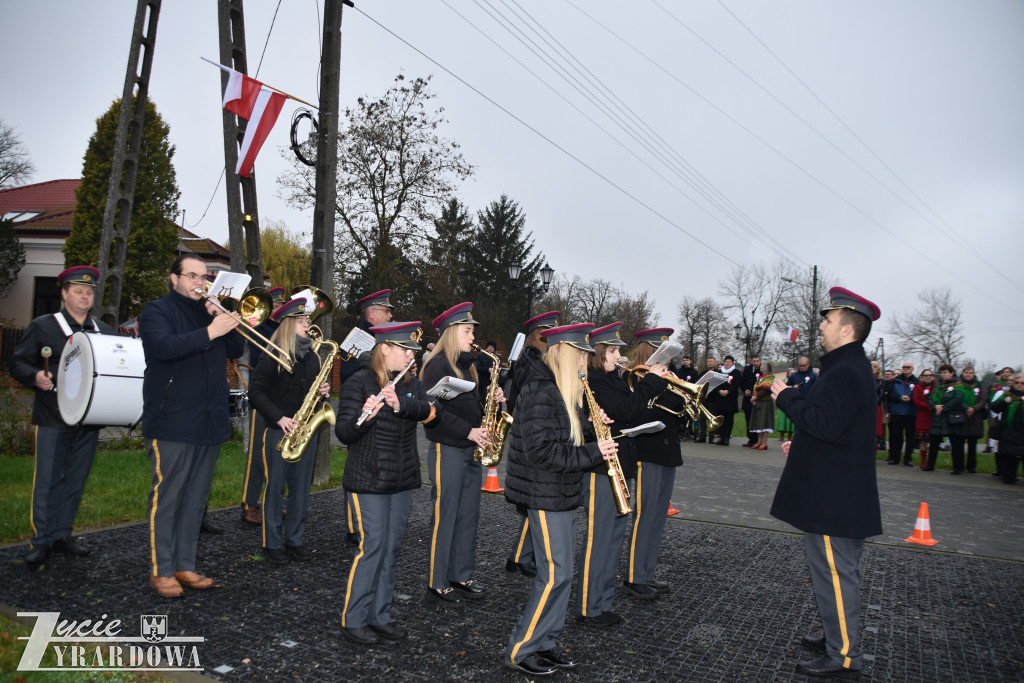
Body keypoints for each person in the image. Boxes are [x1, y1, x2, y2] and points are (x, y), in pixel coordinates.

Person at [769, 286, 882, 679]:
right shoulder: (842, 367)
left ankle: (845, 655)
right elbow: (828, 422)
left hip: (836, 496)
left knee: (836, 572)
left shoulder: (847, 371)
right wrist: (798, 443)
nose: (821, 326)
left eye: (828, 320)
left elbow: (826, 425)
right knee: (830, 571)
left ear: (848, 330)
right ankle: (836, 635)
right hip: (831, 490)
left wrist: (785, 399)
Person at [503, 323, 617, 676]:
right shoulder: (541, 390)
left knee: (563, 575)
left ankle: (546, 642)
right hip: (545, 492)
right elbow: (542, 453)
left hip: (562, 493)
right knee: (554, 576)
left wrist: (593, 426)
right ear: (567, 354)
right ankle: (521, 649)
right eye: (583, 355)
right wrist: (594, 452)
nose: (587, 362)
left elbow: (565, 433)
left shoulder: (561, 390)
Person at [140, 254, 245, 598]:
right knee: (168, 496)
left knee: (196, 499)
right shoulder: (157, 311)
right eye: (192, 276)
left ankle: (185, 564)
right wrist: (210, 330)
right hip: (172, 419)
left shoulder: (209, 310)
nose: (200, 282)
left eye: (204, 277)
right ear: (174, 278)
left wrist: (224, 319)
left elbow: (236, 347)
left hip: (209, 419)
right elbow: (163, 348)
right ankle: (162, 569)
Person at [336, 321, 441, 645]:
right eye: (405, 350)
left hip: (402, 477)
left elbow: (430, 411)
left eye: (413, 351)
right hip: (368, 477)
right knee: (374, 546)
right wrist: (362, 418)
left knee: (391, 549)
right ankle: (353, 619)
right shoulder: (359, 382)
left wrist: (400, 404)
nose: (411, 356)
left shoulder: (411, 383)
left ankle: (379, 616)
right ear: (385, 349)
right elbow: (344, 434)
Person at [9, 265, 115, 565]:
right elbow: (17, 363)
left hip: (89, 420)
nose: (85, 295)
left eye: (89, 291)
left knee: (76, 481)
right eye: (79, 291)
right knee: (48, 480)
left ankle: (62, 534)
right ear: (64, 294)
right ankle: (41, 541)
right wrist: (35, 377)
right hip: (53, 415)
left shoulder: (102, 331)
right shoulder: (44, 326)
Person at [576, 322, 667, 626]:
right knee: (598, 541)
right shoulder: (596, 381)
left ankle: (602, 603)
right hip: (601, 470)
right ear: (599, 353)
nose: (619, 356)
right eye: (613, 351)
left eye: (618, 351)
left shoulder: (614, 379)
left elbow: (634, 412)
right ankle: (588, 607)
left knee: (614, 539)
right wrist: (650, 383)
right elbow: (624, 411)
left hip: (620, 466)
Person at [420, 303, 499, 602]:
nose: (472, 336)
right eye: (467, 330)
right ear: (451, 332)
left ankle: (461, 575)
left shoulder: (467, 365)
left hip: (469, 451)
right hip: (448, 449)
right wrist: (468, 431)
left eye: (472, 331)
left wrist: (495, 401)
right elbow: (432, 410)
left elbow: (472, 407)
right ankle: (437, 581)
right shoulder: (438, 365)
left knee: (468, 516)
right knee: (445, 516)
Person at [246, 295, 330, 564]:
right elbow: (256, 393)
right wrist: (278, 418)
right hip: (278, 431)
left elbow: (312, 393)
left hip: (306, 431)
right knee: (274, 489)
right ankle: (271, 544)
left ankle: (295, 540)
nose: (308, 325)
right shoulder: (273, 354)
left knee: (301, 488)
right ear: (289, 323)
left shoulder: (313, 357)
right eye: (303, 320)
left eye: (308, 320)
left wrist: (323, 393)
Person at [625, 327, 684, 600]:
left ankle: (647, 572)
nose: (667, 360)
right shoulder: (636, 378)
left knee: (658, 518)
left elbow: (679, 416)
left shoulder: (668, 379)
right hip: (647, 452)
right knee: (645, 517)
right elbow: (637, 413)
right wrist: (660, 383)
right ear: (649, 352)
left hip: (668, 451)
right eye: (662, 354)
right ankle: (636, 576)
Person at [504, 310, 560, 579]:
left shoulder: (530, 362)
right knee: (533, 502)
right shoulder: (533, 364)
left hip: (528, 435)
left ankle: (519, 555)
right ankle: (521, 556)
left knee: (532, 504)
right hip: (531, 437)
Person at [339, 289, 395, 545]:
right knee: (357, 464)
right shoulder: (359, 337)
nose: (391, 314)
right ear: (372, 313)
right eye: (386, 311)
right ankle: (353, 524)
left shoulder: (384, 336)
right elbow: (348, 373)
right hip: (361, 405)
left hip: (381, 405)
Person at [240, 285, 286, 527]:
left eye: (280, 306)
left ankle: (273, 501)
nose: (277, 310)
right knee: (257, 455)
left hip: (282, 398)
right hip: (262, 397)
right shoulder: (258, 326)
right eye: (275, 306)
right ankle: (249, 504)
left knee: (278, 453)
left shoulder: (284, 328)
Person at [925, 364, 966, 474]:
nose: (943, 375)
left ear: (952, 373)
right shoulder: (939, 385)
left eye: (945, 372)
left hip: (952, 418)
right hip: (938, 418)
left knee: (956, 444)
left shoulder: (958, 385)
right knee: (933, 443)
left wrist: (944, 408)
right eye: (942, 373)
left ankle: (958, 467)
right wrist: (935, 406)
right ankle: (930, 465)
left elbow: (958, 399)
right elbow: (930, 398)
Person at [991, 373, 1024, 484]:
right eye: (1017, 383)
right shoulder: (1007, 395)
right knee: (1008, 467)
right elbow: (994, 408)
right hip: (1008, 433)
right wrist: (1005, 401)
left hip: (1022, 433)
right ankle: (1009, 476)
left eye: (1022, 383)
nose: (1019, 385)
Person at [885, 362, 918, 466]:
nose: (906, 369)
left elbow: (918, 395)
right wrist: (900, 398)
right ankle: (895, 457)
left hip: (910, 413)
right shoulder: (895, 381)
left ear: (912, 369)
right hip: (897, 412)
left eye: (908, 367)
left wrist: (911, 398)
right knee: (896, 436)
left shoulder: (916, 382)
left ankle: (908, 458)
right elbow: (890, 394)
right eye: (904, 367)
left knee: (910, 437)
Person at [706, 354, 740, 446]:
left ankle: (726, 437)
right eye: (726, 362)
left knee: (729, 419)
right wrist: (719, 390)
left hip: (730, 399)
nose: (727, 363)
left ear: (732, 363)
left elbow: (736, 384)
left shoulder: (736, 372)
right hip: (720, 399)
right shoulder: (720, 372)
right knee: (721, 419)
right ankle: (721, 437)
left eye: (729, 362)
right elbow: (715, 383)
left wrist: (728, 390)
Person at [960, 366, 985, 472]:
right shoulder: (958, 385)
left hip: (975, 418)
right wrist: (966, 408)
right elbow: (957, 398)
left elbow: (984, 399)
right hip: (961, 417)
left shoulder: (979, 386)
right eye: (966, 372)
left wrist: (974, 409)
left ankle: (971, 466)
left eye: (970, 373)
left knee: (972, 444)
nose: (968, 374)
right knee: (959, 444)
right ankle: (959, 465)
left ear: (974, 374)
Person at [912, 370, 936, 468]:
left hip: (934, 416)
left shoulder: (937, 386)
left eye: (929, 375)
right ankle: (923, 461)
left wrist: (933, 406)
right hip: (922, 416)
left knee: (934, 440)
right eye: (925, 375)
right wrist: (928, 406)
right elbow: (916, 400)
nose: (927, 377)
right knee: (923, 440)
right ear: (922, 377)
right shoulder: (918, 387)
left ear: (933, 376)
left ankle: (931, 461)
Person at [748, 361, 775, 450]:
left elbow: (766, 390)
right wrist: (753, 395)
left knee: (764, 422)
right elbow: (756, 388)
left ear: (767, 368)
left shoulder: (769, 378)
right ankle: (759, 442)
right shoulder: (760, 378)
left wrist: (756, 397)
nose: (760, 367)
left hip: (765, 402)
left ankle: (764, 442)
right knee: (759, 423)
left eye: (762, 366)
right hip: (759, 402)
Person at [740, 355, 763, 448]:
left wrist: (755, 393)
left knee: (757, 420)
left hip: (758, 398)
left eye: (757, 361)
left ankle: (757, 439)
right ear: (751, 361)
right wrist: (745, 390)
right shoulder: (747, 369)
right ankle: (750, 438)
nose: (756, 363)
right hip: (747, 398)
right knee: (748, 419)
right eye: (754, 361)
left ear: (760, 361)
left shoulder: (762, 370)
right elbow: (742, 382)